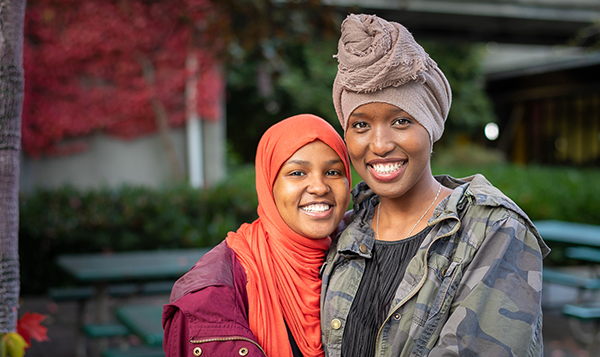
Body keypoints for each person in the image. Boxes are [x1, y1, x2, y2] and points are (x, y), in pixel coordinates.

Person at [320, 14, 550, 357]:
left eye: (401, 121)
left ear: (431, 127)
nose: (379, 144)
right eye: (361, 124)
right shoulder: (345, 231)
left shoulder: (495, 232)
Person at [162, 114, 351, 357]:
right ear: (268, 182)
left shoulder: (364, 254)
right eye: (297, 173)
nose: (319, 187)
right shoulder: (211, 295)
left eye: (333, 172)